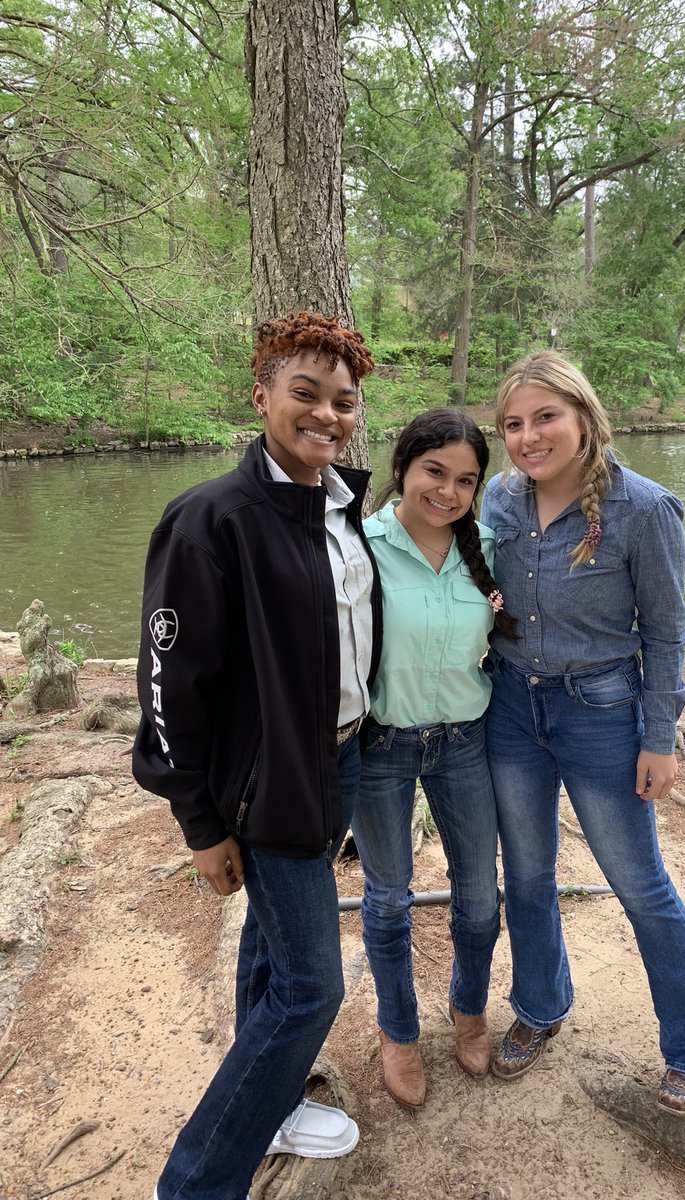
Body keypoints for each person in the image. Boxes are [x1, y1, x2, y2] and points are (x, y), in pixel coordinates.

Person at [132, 312, 382, 1200]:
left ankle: (273, 1105)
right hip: (268, 783)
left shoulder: (346, 507)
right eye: (304, 394)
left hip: (341, 764)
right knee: (313, 988)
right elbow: (170, 685)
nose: (326, 414)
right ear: (263, 395)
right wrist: (199, 820)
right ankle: (196, 1184)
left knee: (273, 957)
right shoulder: (212, 517)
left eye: (343, 401)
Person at [481, 350, 685, 1117]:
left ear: (583, 415)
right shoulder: (498, 499)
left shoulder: (642, 508)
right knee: (525, 875)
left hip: (604, 712)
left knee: (640, 885)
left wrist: (661, 735)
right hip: (512, 708)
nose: (529, 436)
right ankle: (541, 1005)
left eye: (545, 416)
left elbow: (666, 630)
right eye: (514, 424)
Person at [350, 408, 514, 1109]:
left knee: (480, 898)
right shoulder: (361, 543)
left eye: (466, 480)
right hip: (381, 745)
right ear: (404, 469)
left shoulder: (491, 546)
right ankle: (398, 1031)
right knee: (387, 900)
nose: (448, 491)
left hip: (465, 742)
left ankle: (468, 1008)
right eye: (434, 472)